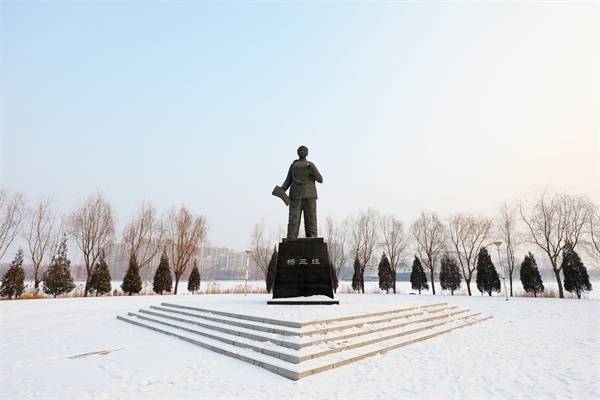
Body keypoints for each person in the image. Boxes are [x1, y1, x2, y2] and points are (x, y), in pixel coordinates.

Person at [281, 145, 323, 239]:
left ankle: (312, 236)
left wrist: (312, 169)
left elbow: (320, 179)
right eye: (300, 150)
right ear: (297, 152)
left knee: (311, 218)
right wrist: (283, 188)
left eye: (304, 150)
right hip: (296, 196)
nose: (302, 151)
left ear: (307, 152)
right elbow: (288, 180)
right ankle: (292, 236)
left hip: (310, 195)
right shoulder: (293, 165)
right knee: (294, 218)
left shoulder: (310, 165)